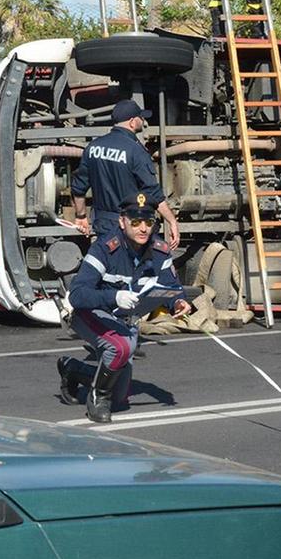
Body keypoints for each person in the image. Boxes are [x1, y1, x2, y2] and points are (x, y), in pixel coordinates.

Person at [58, 192, 191, 423]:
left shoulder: (159, 250)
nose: (143, 229)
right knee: (120, 347)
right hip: (91, 315)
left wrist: (178, 302)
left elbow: (171, 286)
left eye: (149, 222)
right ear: (122, 221)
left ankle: (73, 369)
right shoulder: (104, 248)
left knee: (121, 396)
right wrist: (114, 296)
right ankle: (98, 399)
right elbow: (77, 295)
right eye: (136, 222)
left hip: (125, 321)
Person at [70, 99, 180, 248]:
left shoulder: (93, 147)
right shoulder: (136, 151)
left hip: (103, 226)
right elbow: (153, 193)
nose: (143, 121)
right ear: (132, 122)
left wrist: (81, 216)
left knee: (109, 267)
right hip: (130, 226)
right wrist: (172, 221)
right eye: (141, 117)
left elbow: (78, 187)